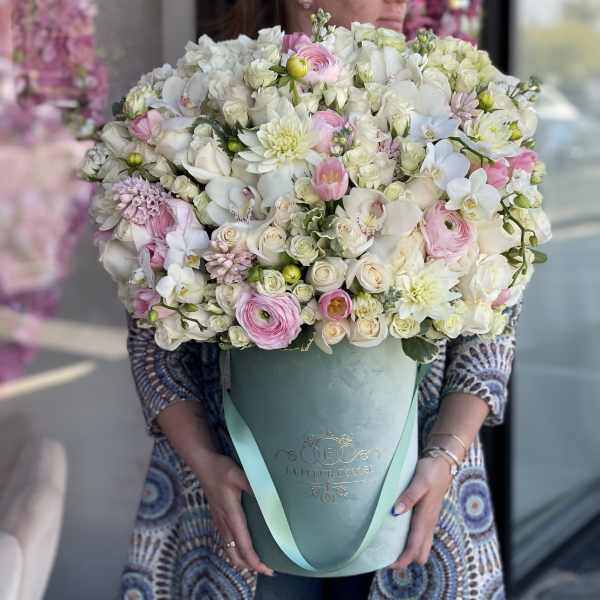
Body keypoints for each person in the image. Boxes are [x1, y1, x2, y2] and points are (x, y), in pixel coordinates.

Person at [120, 1, 522, 598]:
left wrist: (446, 455)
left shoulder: (446, 107)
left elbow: (495, 312)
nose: (400, 2)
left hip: (418, 491)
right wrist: (203, 461)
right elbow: (149, 318)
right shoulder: (196, 105)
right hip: (232, 498)